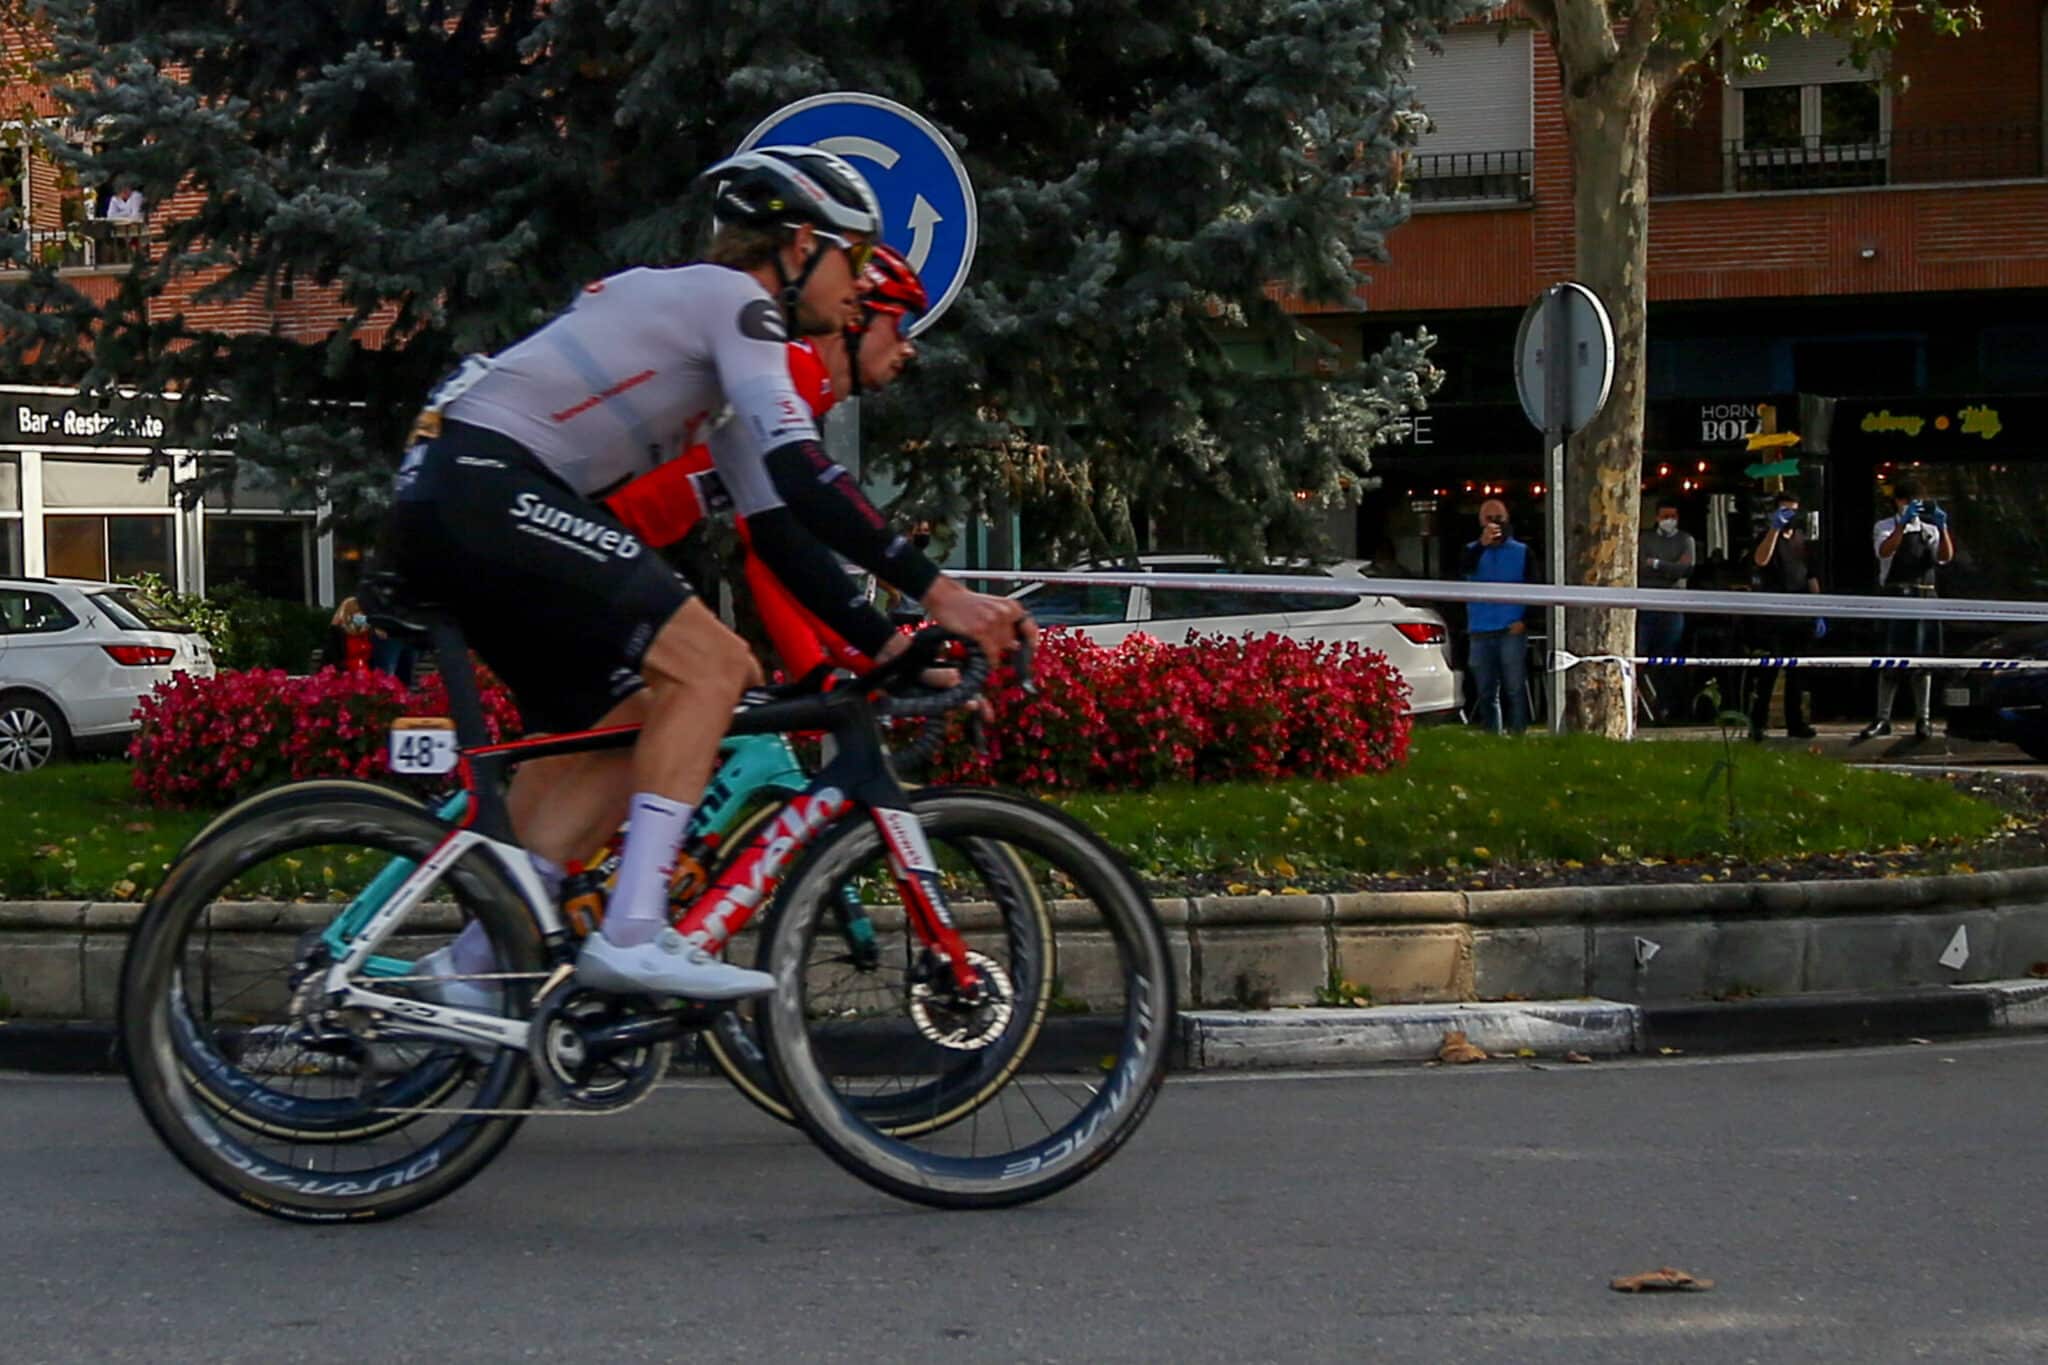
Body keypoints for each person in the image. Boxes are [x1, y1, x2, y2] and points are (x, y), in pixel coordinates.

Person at [387, 147, 1032, 1006]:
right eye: (858, 258)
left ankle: (472, 970)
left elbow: (784, 531)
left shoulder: (722, 365)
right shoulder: (735, 301)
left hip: (462, 493)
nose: (863, 287)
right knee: (717, 666)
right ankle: (634, 930)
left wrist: (893, 650)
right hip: (485, 483)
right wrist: (942, 593)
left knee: (632, 726)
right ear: (801, 243)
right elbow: (808, 472)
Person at [602, 241, 929, 681]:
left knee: (677, 701)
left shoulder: (801, 381)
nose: (908, 348)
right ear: (856, 320)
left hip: (605, 534)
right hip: (593, 527)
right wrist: (850, 656)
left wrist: (821, 665)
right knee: (717, 675)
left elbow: (773, 550)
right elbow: (784, 540)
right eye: (899, 324)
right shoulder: (791, 372)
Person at [1858, 478, 1956, 742]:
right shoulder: (1885, 526)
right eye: (1908, 501)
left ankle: (1923, 718)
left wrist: (1943, 526)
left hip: (1924, 596)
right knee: (1890, 659)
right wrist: (1903, 524)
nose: (1913, 506)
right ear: (1898, 502)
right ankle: (1883, 717)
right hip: (1896, 595)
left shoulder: (1928, 530)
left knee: (1922, 661)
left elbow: (1945, 557)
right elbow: (1884, 551)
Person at [1746, 490, 1823, 741]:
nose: (1790, 516)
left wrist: (1819, 610)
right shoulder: (1767, 537)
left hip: (1799, 613)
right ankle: (1757, 723)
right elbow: (1761, 560)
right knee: (1769, 671)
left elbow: (1811, 576)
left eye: (1793, 510)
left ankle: (1795, 722)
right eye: (1785, 510)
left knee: (1796, 672)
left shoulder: (1801, 540)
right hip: (1773, 613)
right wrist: (1774, 530)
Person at [1460, 498, 1535, 734]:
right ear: (1480, 522)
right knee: (1485, 690)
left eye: (1498, 518)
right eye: (1488, 519)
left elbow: (1536, 587)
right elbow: (1464, 571)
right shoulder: (1470, 550)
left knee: (1514, 687)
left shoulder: (1522, 552)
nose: (1494, 523)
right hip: (1480, 629)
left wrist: (1525, 621)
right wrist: (1482, 545)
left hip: (1510, 628)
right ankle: (1492, 734)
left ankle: (1518, 733)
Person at [1635, 500, 1695, 723]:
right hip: (1646, 606)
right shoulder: (1645, 539)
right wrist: (1671, 568)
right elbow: (1640, 565)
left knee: (1668, 660)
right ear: (1656, 517)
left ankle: (1666, 708)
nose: (1669, 519)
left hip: (1673, 607)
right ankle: (1640, 708)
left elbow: (1686, 570)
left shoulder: (1685, 540)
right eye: (1665, 515)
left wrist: (1657, 564)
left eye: (1673, 515)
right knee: (1639, 657)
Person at [327, 596, 373, 673]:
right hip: (346, 675)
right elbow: (333, 659)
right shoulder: (338, 633)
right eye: (358, 611)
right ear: (348, 614)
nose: (362, 615)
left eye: (364, 612)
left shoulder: (368, 631)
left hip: (366, 673)